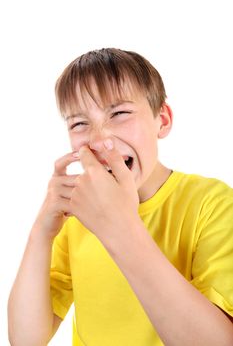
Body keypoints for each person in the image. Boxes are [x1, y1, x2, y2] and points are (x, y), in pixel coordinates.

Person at [8, 48, 233, 346]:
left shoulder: (212, 203)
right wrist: (41, 232)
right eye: (79, 123)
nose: (100, 140)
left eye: (120, 113)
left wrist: (118, 225)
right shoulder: (76, 217)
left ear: (162, 120)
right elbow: (25, 339)